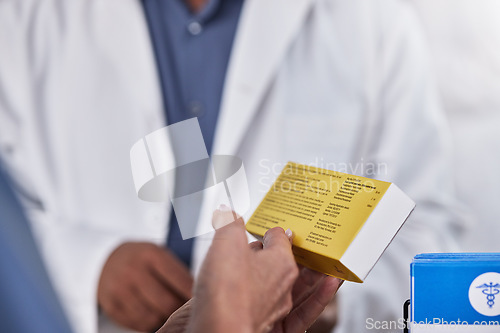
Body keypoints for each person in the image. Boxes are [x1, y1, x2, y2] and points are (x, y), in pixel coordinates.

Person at [0, 0, 463, 332]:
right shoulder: (22, 18)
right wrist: (89, 266)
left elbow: (430, 240)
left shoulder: (372, 21)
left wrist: (328, 303)